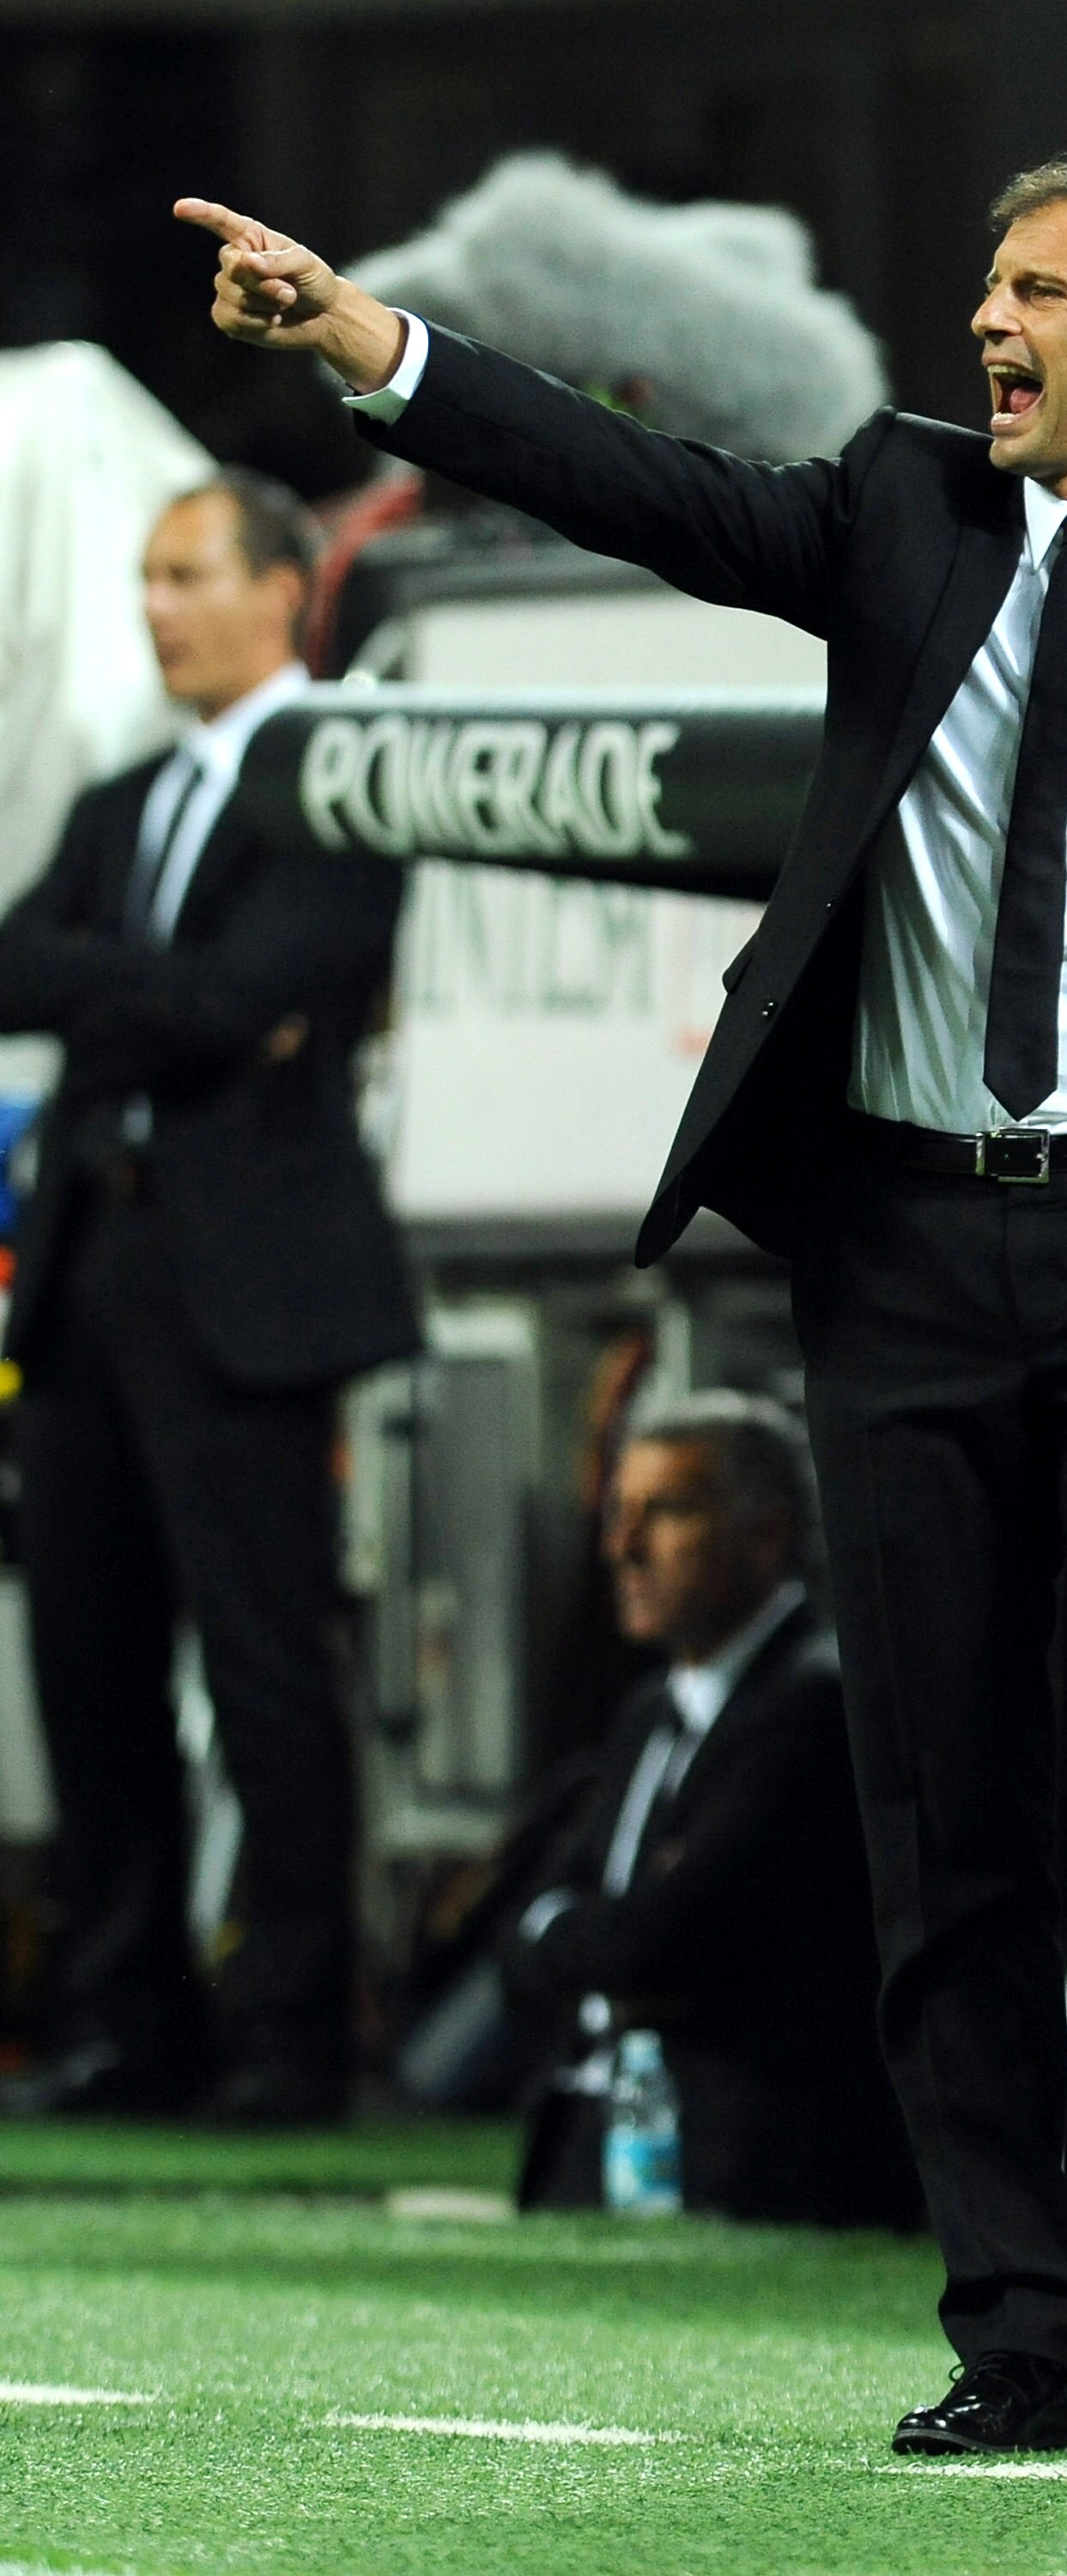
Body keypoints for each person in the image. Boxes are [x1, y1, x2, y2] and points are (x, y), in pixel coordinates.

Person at [178, 155, 1067, 2447]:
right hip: (905, 1254)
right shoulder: (900, 508)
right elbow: (637, 485)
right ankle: (1021, 2339)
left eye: (1038, 290)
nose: (987, 321)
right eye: (988, 281)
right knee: (943, 1818)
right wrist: (372, 343)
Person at [0, 470, 419, 2123]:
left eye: (186, 575)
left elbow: (254, 992)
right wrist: (180, 1005)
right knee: (86, 1660)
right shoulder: (122, 802)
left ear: (280, 590)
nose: (156, 608)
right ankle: (128, 2021)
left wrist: (136, 997)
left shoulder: (340, 787)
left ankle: (289, 2035)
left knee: (263, 1668)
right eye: (148, 579)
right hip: (91, 1276)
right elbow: (25, 966)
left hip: (245, 1291)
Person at [471, 1390, 915, 2227]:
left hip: (756, 2176)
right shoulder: (650, 1710)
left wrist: (579, 1934)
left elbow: (658, 1943)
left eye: (666, 1512)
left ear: (766, 1533)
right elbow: (516, 1937)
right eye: (620, 1513)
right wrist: (585, 1937)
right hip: (600, 2159)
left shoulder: (814, 1705)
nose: (624, 1547)